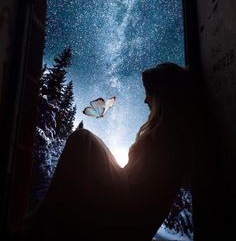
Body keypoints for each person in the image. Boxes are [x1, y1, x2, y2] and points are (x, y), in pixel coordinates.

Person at [21, 62, 198, 240]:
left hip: (128, 208)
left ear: (162, 95)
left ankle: (36, 229)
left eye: (149, 92)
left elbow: (147, 195)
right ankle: (41, 227)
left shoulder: (168, 138)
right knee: (83, 143)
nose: (145, 100)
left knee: (83, 139)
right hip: (127, 202)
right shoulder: (166, 135)